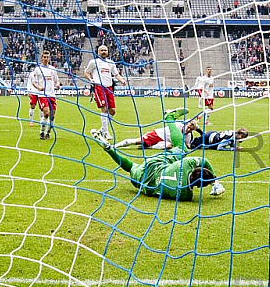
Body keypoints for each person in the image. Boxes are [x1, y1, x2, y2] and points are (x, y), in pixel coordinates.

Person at [90, 129, 226, 200]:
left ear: (194, 169)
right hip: (146, 184)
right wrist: (212, 182)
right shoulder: (186, 196)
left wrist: (215, 181)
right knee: (130, 167)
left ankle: (170, 118)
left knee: (182, 148)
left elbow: (205, 161)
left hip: (156, 164)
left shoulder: (187, 164)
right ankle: (109, 150)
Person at [84, 45, 127, 140]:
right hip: (99, 87)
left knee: (112, 111)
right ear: (98, 52)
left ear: (108, 52)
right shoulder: (94, 62)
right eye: (101, 50)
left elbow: (116, 74)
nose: (104, 52)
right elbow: (86, 72)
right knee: (104, 109)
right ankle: (106, 132)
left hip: (109, 88)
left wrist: (122, 81)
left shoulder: (111, 63)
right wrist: (91, 79)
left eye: (105, 50)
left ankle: (102, 130)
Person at [111, 108, 187, 150]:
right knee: (137, 141)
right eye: (189, 127)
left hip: (163, 141)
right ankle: (115, 146)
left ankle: (150, 146)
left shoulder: (188, 136)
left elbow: (187, 145)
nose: (188, 129)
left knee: (169, 146)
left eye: (191, 129)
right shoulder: (178, 125)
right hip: (157, 135)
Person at [28, 50, 61, 140]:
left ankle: (47, 133)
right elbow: (33, 82)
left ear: (49, 58)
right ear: (42, 58)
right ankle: (42, 132)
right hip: (42, 95)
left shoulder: (52, 69)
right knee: (46, 112)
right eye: (44, 57)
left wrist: (57, 84)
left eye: (47, 57)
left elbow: (56, 80)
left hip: (52, 95)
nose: (46, 59)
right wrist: (39, 88)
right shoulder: (38, 69)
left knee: (52, 116)